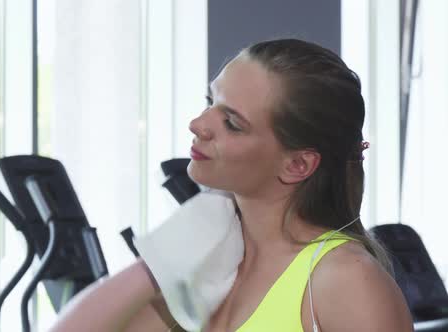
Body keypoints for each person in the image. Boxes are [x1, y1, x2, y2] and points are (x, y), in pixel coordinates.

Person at [48, 39, 413, 332]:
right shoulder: (213, 265)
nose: (198, 124)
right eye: (211, 102)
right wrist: (159, 263)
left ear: (298, 164)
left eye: (232, 123)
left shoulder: (346, 280)